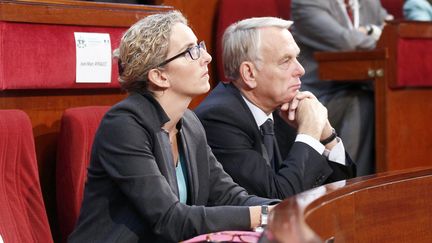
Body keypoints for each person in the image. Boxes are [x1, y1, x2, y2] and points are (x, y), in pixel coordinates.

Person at [68, 11, 278, 243]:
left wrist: (285, 209)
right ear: (159, 76)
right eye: (191, 51)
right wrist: (264, 216)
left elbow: (228, 195)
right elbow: (170, 219)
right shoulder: (123, 125)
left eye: (200, 46)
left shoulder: (189, 123)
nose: (206, 57)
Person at [195, 17, 356, 200]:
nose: (301, 70)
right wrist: (309, 132)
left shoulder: (284, 108)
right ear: (249, 73)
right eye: (285, 61)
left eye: (297, 57)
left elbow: (342, 195)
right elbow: (276, 201)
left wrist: (327, 136)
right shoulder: (219, 119)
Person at [290, 0, 393, 176]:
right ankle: (350, 186)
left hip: (363, 86)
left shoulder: (369, 3)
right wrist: (376, 34)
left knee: (391, 103)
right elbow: (346, 42)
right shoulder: (306, 3)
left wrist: (368, 30)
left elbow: (391, 30)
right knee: (362, 103)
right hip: (316, 96)